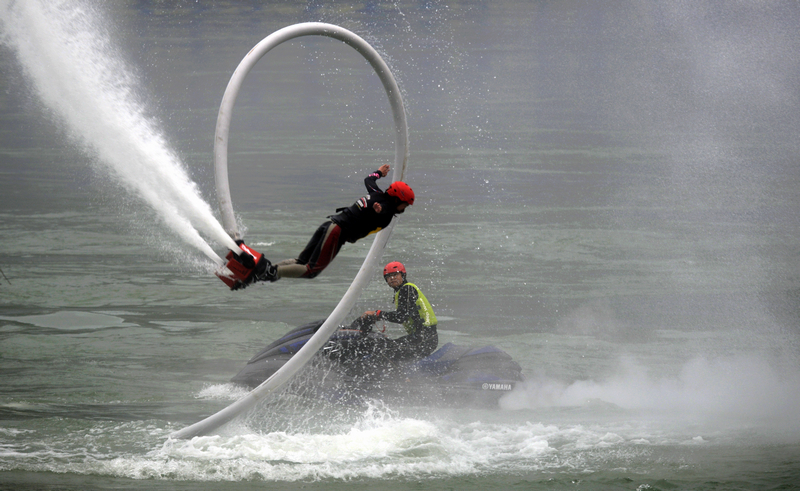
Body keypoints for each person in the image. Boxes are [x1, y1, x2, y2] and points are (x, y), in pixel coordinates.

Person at [233, 164, 414, 289]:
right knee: (312, 270)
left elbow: (368, 180)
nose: (404, 208)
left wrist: (378, 173)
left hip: (329, 225)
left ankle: (262, 273)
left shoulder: (376, 194)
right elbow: (382, 213)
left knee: (301, 262)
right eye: (404, 204)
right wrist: (378, 211)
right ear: (397, 199)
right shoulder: (387, 211)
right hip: (337, 232)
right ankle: (270, 271)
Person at [352, 261, 438, 362]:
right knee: (388, 345)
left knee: (385, 351)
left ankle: (399, 377)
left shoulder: (407, 289)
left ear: (403, 275)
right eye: (388, 276)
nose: (392, 278)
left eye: (395, 274)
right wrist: (377, 316)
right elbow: (402, 314)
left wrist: (377, 313)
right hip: (422, 338)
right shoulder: (403, 291)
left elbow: (401, 317)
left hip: (424, 339)